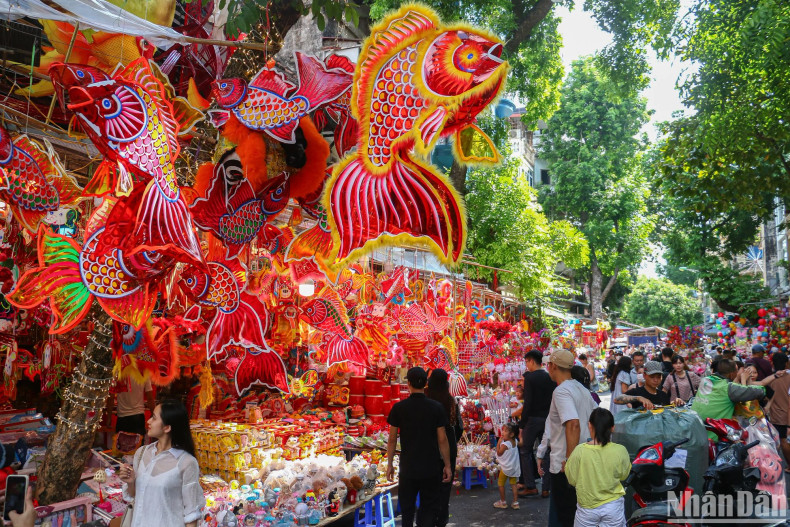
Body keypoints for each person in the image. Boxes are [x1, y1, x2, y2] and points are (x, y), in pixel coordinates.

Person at [119, 399, 205, 527]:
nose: (148, 421)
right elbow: (135, 496)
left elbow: (192, 514)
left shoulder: (186, 462)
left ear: (167, 427)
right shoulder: (142, 453)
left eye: (154, 418)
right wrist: (131, 482)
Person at [539, 349, 598, 527]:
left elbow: (573, 423)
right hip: (583, 460)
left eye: (548, 364)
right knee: (576, 514)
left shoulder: (561, 391)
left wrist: (570, 460)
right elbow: (597, 419)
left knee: (566, 516)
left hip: (565, 466)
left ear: (553, 366)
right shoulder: (581, 389)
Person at [387, 367, 452, 527]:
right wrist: (447, 465)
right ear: (425, 384)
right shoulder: (436, 407)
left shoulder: (399, 408)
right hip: (431, 467)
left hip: (408, 468)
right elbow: (442, 439)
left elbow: (392, 439)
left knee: (407, 511)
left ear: (408, 383)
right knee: (428, 509)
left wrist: (390, 464)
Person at [566, 408, 631, 527]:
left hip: (587, 508)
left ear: (590, 426)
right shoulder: (621, 450)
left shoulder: (579, 451)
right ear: (613, 428)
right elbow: (624, 475)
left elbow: (572, 479)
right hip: (613, 507)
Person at [691, 359, 772, 439]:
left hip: (695, 430)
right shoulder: (729, 388)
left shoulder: (705, 380)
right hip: (714, 435)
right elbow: (759, 391)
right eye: (738, 371)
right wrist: (744, 380)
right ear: (732, 374)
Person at [426, 368, 463, 527]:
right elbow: (459, 427)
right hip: (449, 447)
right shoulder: (451, 401)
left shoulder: (426, 400)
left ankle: (429, 518)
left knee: (429, 486)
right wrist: (452, 440)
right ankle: (442, 519)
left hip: (429, 448)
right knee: (445, 486)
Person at [518, 350, 556, 498]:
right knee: (545, 451)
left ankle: (531, 486)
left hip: (533, 419)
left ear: (532, 361)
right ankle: (546, 488)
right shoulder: (549, 376)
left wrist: (522, 424)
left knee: (525, 451)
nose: (526, 365)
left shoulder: (530, 378)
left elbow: (528, 402)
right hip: (547, 418)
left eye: (527, 362)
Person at [614, 361, 685, 410]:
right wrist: (638, 398)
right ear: (644, 375)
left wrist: (675, 403)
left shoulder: (663, 395)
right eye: (652, 377)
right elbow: (616, 400)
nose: (656, 380)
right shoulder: (637, 392)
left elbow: (667, 409)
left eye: (658, 377)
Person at [764, 352, 790, 469]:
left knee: (781, 440)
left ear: (772, 363)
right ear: (786, 363)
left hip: (777, 415)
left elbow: (766, 397)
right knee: (785, 441)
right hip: (786, 415)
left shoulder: (770, 379)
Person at [494, 423, 521, 510]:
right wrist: (521, 435)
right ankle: (515, 503)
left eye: (505, 431)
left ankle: (503, 502)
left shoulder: (506, 444)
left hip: (506, 468)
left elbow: (499, 453)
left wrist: (498, 443)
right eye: (503, 430)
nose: (502, 432)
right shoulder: (515, 441)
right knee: (513, 484)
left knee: (501, 483)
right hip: (513, 467)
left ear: (512, 434)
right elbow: (521, 443)